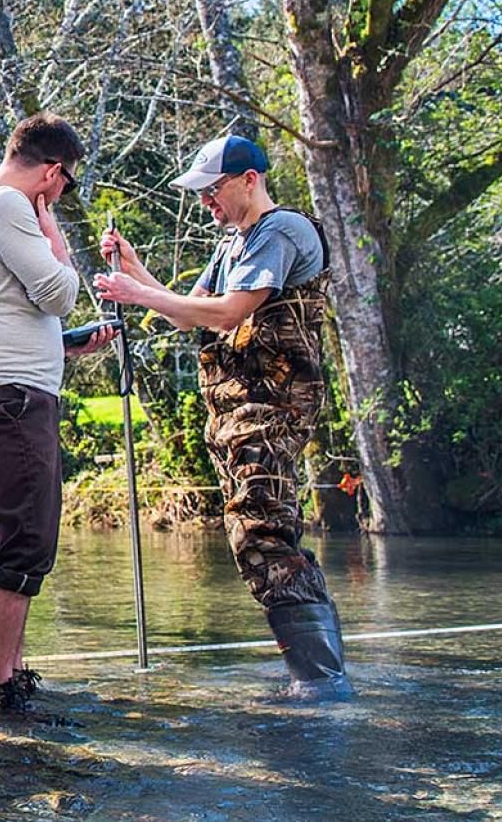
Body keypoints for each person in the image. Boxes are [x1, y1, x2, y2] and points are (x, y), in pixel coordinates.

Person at [96, 135, 351, 701]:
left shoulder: (281, 230)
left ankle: (322, 683)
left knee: (258, 531)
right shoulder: (233, 243)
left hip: (275, 405)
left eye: (213, 190)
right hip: (236, 411)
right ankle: (319, 675)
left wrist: (135, 293)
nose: (207, 202)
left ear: (250, 180)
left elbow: (232, 310)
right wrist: (136, 272)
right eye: (203, 193)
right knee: (262, 530)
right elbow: (191, 316)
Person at [0, 112, 116, 712]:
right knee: (26, 535)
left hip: (3, 388)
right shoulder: (7, 206)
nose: (62, 197)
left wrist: (65, 342)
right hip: (8, 396)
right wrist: (60, 247)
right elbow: (60, 292)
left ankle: (8, 671)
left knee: (9, 529)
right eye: (66, 185)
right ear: (51, 172)